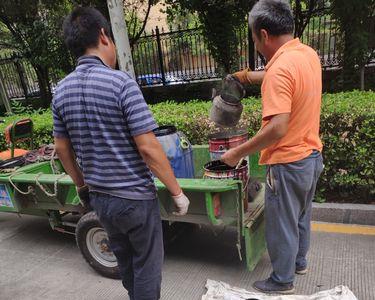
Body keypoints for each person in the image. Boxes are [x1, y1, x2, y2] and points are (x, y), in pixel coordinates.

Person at [53, 7, 190, 300]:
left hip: (100, 198)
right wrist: (177, 193)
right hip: (134, 200)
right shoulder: (121, 83)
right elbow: (148, 147)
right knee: (148, 264)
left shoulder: (61, 91)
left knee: (126, 261)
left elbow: (62, 149)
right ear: (104, 36)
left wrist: (81, 184)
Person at [221, 0, 324, 295]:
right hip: (311, 157)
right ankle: (299, 262)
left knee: (282, 224)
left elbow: (277, 127)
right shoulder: (306, 54)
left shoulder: (279, 69)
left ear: (263, 35)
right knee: (301, 216)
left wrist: (237, 153)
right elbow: (284, 77)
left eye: (254, 38)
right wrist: (246, 77)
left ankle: (282, 280)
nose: (255, 43)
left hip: (288, 162)